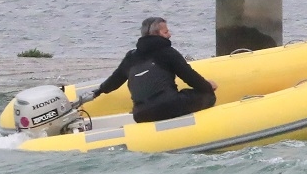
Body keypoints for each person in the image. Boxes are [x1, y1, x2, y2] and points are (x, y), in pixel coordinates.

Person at [79, 16, 219, 124]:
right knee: (208, 95)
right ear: (157, 34)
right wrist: (208, 87)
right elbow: (189, 76)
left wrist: (98, 91)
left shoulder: (131, 57)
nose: (169, 35)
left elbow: (113, 82)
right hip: (168, 106)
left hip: (140, 114)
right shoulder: (167, 52)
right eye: (166, 32)